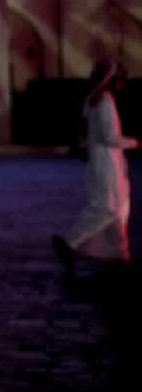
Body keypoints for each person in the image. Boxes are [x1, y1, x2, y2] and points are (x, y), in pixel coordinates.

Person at [52, 62, 135, 273]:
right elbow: (110, 137)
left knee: (119, 209)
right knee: (107, 207)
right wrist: (135, 142)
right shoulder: (105, 101)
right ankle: (70, 243)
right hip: (107, 163)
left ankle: (118, 254)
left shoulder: (92, 100)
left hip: (101, 162)